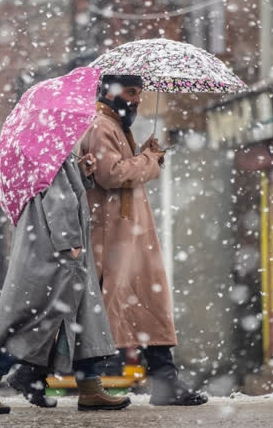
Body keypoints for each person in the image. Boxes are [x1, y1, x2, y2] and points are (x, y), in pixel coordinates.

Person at [0, 152, 131, 414]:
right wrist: (71, 244)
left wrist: (79, 171)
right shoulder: (49, 155)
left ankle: (89, 388)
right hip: (58, 256)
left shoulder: (42, 155)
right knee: (43, 321)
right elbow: (59, 200)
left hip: (47, 251)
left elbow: (59, 190)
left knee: (78, 318)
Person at [79, 74, 208, 406]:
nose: (136, 100)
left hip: (127, 235)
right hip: (114, 238)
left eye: (139, 93)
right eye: (131, 92)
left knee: (144, 304)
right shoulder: (102, 127)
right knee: (103, 311)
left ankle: (164, 381)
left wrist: (146, 156)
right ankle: (34, 373)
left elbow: (122, 170)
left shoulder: (116, 127)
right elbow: (113, 175)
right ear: (110, 92)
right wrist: (150, 159)